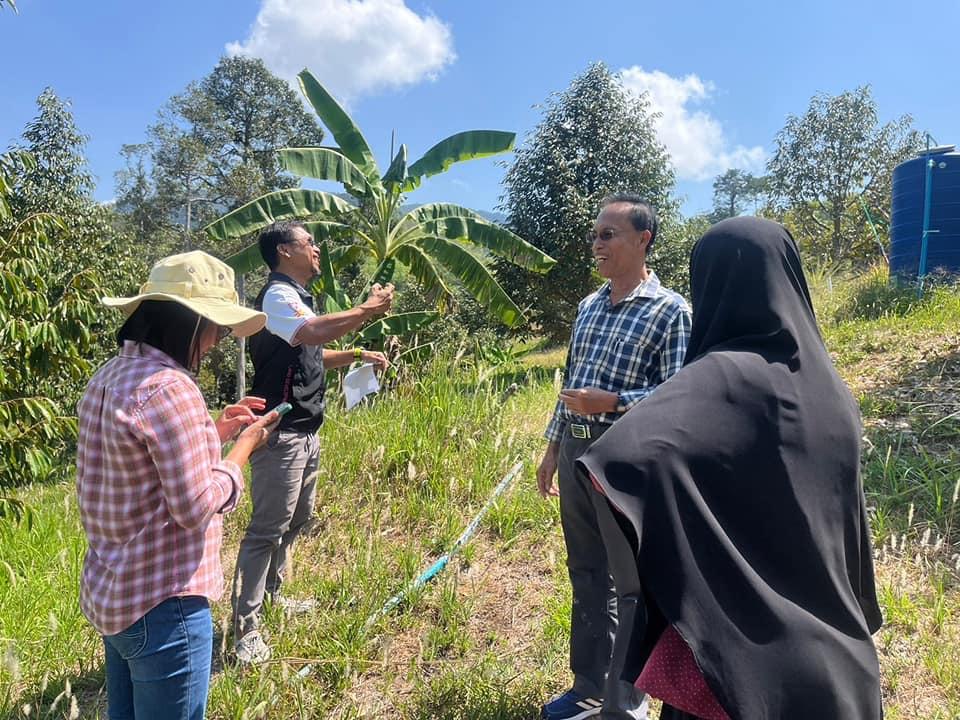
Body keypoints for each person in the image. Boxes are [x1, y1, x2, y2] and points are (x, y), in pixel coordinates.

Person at [579, 217, 883, 719]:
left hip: (741, 681)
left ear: (710, 286)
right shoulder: (833, 393)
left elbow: (614, 459)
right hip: (843, 668)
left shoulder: (714, 381)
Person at [76, 251, 280, 720]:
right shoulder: (172, 388)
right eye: (218, 329)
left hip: (116, 594)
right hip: (166, 603)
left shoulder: (109, 377)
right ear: (191, 323)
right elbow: (194, 506)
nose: (216, 342)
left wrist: (213, 428)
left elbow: (139, 458)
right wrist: (241, 450)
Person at [537, 194, 691, 720]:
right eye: (595, 234)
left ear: (643, 240)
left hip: (626, 459)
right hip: (579, 451)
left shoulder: (671, 312)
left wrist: (617, 403)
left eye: (608, 234)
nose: (596, 243)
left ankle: (626, 697)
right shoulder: (588, 306)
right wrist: (553, 448)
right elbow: (570, 383)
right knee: (585, 570)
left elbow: (677, 394)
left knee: (632, 582)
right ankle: (587, 687)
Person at [231, 220, 393, 663]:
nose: (316, 249)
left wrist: (359, 354)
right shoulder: (277, 296)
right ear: (285, 251)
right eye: (309, 242)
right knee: (266, 530)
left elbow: (312, 351)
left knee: (296, 520)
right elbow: (313, 333)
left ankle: (274, 599)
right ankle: (246, 628)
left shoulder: (299, 300)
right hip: (279, 431)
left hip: (306, 429)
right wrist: (367, 309)